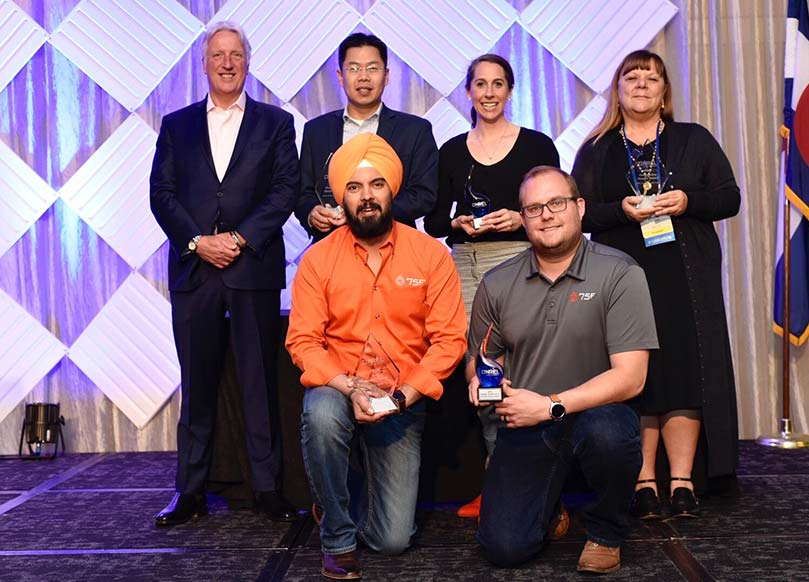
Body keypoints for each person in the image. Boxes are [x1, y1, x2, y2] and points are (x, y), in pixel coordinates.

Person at [286, 133, 466, 580]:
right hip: (341, 387)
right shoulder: (317, 259)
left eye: (377, 185)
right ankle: (338, 537)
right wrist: (349, 386)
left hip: (402, 398)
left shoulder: (430, 254)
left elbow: (449, 340)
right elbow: (303, 341)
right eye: (354, 187)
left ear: (393, 191)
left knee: (392, 541)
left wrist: (402, 397)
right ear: (340, 196)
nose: (366, 197)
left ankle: (337, 495)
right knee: (322, 416)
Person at [572, 49, 740, 519]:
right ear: (618, 89)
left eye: (652, 77)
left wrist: (687, 201)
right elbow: (580, 212)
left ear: (664, 90)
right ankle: (643, 479)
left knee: (684, 373)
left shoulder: (694, 140)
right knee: (640, 376)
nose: (642, 84)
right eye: (632, 77)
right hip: (622, 277)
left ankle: (682, 479)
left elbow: (729, 198)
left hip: (687, 276)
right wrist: (621, 209)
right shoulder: (597, 148)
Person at [469, 166, 658, 573]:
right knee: (504, 549)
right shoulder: (497, 283)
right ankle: (550, 509)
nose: (546, 215)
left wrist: (552, 405)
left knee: (608, 433)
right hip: (528, 425)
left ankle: (605, 532)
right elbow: (484, 358)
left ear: (579, 207)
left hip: (598, 415)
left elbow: (632, 377)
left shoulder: (620, 273)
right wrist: (480, 380)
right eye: (534, 208)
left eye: (556, 203)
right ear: (522, 219)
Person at [149, 21, 299, 526]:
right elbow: (161, 194)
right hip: (195, 271)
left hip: (251, 267)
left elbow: (284, 190)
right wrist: (197, 242)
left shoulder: (275, 123)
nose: (228, 62)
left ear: (248, 62)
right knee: (197, 384)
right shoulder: (176, 124)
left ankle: (267, 488)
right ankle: (189, 492)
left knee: (259, 382)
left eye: (236, 54)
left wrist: (237, 239)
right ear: (205, 64)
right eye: (218, 55)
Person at [423, 53, 560, 518]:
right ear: (467, 91)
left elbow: (554, 210)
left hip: (520, 260)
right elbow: (434, 219)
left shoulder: (537, 146)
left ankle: (537, 486)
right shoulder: (451, 151)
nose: (488, 92)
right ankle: (495, 483)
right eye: (480, 84)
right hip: (464, 264)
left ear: (510, 90)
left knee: (527, 370)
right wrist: (458, 221)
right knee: (481, 374)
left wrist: (519, 218)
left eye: (498, 84)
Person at [295, 32, 438, 240]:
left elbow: (424, 195)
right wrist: (312, 213)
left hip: (395, 244)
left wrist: (364, 214)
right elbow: (303, 193)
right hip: (332, 246)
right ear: (340, 76)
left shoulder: (415, 130)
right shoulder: (316, 130)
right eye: (353, 69)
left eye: (372, 68)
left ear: (387, 76)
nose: (363, 76)